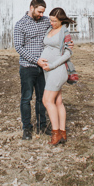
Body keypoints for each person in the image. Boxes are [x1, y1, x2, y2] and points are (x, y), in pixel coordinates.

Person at [13, 0, 53, 140]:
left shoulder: (46, 21)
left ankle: (42, 126)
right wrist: (36, 60)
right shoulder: (20, 25)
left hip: (43, 68)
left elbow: (59, 29)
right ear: (32, 8)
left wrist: (68, 42)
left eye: (43, 12)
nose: (41, 14)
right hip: (28, 67)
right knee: (26, 98)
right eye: (39, 11)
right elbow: (19, 47)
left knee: (42, 98)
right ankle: (27, 129)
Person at [38, 7, 74, 145]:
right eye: (50, 20)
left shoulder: (65, 32)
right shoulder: (50, 29)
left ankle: (55, 133)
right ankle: (63, 133)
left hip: (57, 70)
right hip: (48, 71)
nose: (51, 22)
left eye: (54, 21)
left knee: (47, 101)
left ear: (61, 20)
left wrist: (52, 65)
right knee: (58, 101)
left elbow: (67, 53)